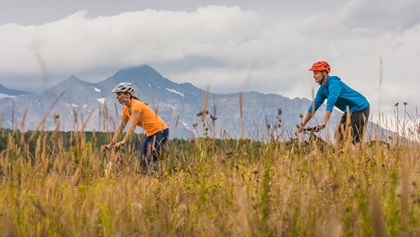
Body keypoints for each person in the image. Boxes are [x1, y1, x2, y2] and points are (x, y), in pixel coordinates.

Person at [299, 61, 370, 148]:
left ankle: (366, 156)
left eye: (316, 73)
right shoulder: (322, 89)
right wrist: (303, 125)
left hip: (360, 107)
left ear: (324, 73)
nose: (313, 76)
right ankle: (339, 158)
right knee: (338, 136)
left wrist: (324, 122)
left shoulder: (334, 84)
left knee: (353, 137)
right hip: (349, 111)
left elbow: (330, 103)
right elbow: (314, 107)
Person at [103, 82, 169, 174]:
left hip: (161, 131)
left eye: (119, 94)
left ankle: (153, 176)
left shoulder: (136, 106)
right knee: (142, 162)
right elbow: (121, 128)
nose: (116, 97)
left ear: (128, 95)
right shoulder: (126, 110)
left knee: (148, 158)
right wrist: (110, 145)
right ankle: (149, 175)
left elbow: (132, 126)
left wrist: (123, 141)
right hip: (150, 134)